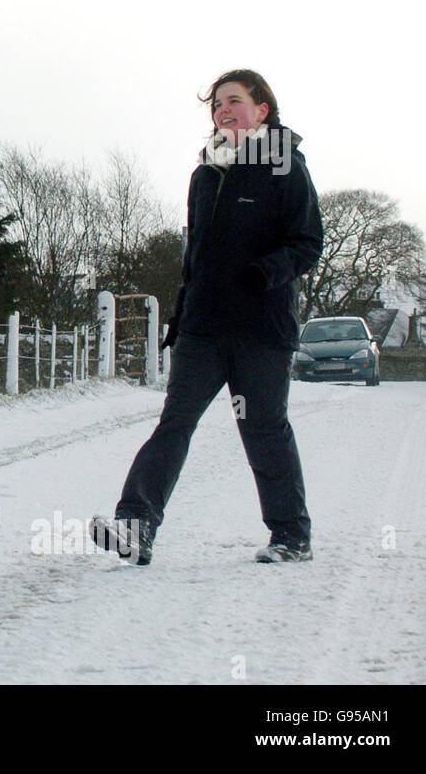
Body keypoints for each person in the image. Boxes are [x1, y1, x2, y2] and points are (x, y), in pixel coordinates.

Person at [90, 69, 323, 565]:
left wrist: (264, 274)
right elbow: (195, 256)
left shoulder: (286, 168)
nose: (222, 111)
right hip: (203, 328)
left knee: (262, 427)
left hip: (261, 328)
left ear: (262, 111)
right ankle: (135, 528)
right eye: (216, 104)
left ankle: (291, 535)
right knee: (175, 422)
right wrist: (182, 314)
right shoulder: (205, 175)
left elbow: (307, 244)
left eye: (234, 101)